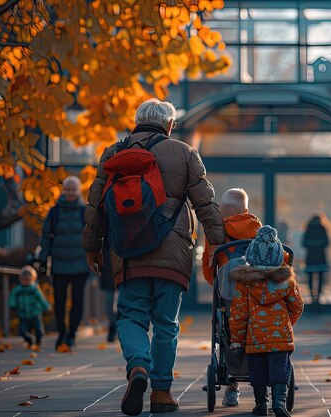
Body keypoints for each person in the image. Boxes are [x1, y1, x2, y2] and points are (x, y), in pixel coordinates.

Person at [82, 98, 225, 416]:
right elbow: (206, 203)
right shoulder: (184, 152)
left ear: (137, 121)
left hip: (128, 250)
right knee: (165, 324)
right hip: (172, 252)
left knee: (131, 316)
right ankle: (161, 393)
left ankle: (138, 366)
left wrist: (93, 247)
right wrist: (217, 244)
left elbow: (96, 206)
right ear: (169, 125)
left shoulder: (114, 152)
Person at [229, 226, 304, 417]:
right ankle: (279, 402)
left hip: (255, 337)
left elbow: (239, 313)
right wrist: (287, 323)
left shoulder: (245, 282)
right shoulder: (286, 280)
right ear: (279, 256)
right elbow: (297, 306)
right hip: (280, 337)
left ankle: (261, 403)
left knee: (258, 371)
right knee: (280, 369)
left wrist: (237, 339)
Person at [202, 188, 262, 407]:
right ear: (246, 209)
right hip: (257, 301)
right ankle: (262, 388)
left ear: (221, 212)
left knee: (227, 334)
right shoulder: (258, 229)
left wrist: (220, 286)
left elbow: (209, 271)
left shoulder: (217, 235)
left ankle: (231, 388)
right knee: (258, 332)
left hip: (228, 300)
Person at [39, 175, 88, 352]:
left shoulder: (85, 212)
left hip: (80, 265)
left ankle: (71, 334)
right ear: (63, 190)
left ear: (78, 191)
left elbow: (92, 237)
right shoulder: (54, 212)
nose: (70, 193)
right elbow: (45, 238)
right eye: (67, 189)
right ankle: (61, 333)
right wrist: (43, 259)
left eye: (73, 189)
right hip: (59, 265)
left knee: (77, 302)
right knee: (59, 302)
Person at [9, 265, 51, 351]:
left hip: (35, 313)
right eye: (24, 280)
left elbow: (41, 299)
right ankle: (29, 340)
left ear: (32, 279)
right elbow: (12, 297)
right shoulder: (18, 290)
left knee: (39, 330)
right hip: (23, 314)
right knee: (22, 331)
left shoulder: (34, 289)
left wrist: (46, 307)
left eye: (28, 280)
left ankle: (38, 341)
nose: (26, 282)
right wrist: (12, 305)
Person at [302, 214, 330, 304]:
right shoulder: (323, 228)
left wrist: (312, 245)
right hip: (321, 257)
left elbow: (304, 243)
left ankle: (312, 296)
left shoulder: (308, 229)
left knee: (310, 277)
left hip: (310, 257)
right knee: (320, 277)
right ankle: (318, 297)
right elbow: (327, 243)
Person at [100, 247, 117, 343]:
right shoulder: (104, 238)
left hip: (123, 275)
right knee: (108, 303)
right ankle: (112, 325)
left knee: (122, 303)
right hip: (107, 274)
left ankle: (116, 328)